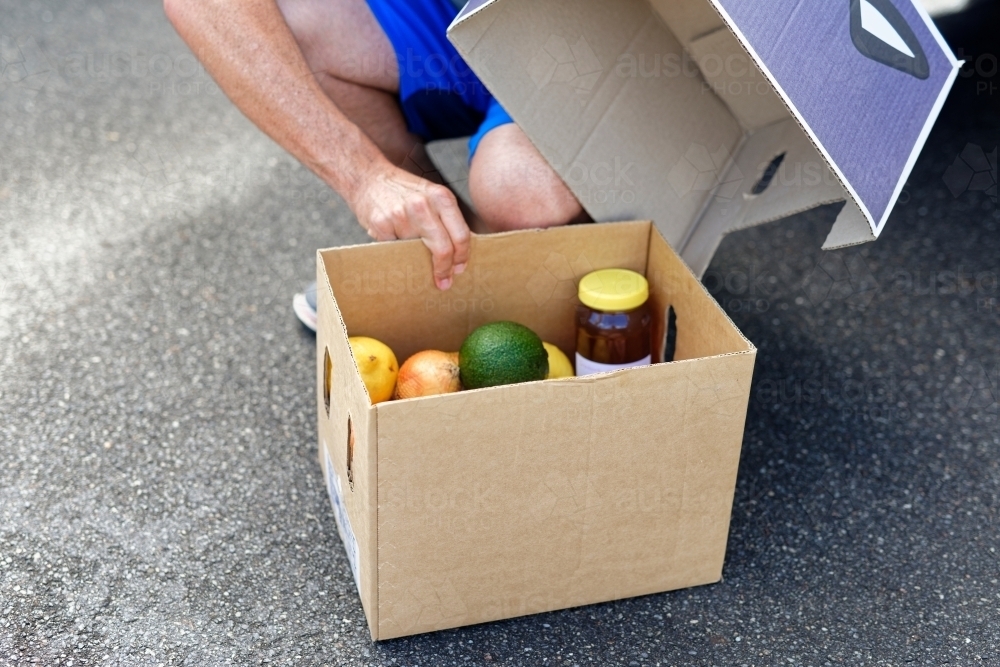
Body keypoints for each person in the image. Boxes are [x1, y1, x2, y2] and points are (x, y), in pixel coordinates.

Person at [165, 0, 588, 331]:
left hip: (579, 36)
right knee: (290, 26)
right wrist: (366, 177)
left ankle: (568, 252)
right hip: (460, 17)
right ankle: (449, 255)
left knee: (520, 193)